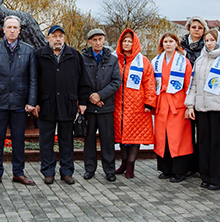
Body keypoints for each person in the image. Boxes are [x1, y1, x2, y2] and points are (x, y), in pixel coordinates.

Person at [0, 15, 38, 188]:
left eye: (15, 28)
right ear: (3, 30)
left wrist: (31, 101)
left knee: (19, 140)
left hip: (20, 104)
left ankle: (18, 173)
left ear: (20, 30)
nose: (12, 30)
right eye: (9, 27)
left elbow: (33, 78)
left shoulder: (29, 50)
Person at [185, 29, 220, 190]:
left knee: (219, 145)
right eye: (207, 40)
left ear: (219, 40)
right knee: (204, 144)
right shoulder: (201, 60)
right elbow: (193, 85)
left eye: (212, 40)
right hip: (202, 109)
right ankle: (206, 176)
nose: (209, 43)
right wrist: (190, 105)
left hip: (219, 109)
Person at [33, 25, 86, 185]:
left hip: (67, 103)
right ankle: (48, 172)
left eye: (60, 36)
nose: (57, 39)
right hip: (46, 104)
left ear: (64, 39)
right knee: (46, 141)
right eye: (54, 36)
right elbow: (33, 81)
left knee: (66, 140)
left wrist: (82, 101)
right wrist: (34, 102)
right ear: (48, 38)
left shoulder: (74, 55)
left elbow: (83, 80)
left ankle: (66, 171)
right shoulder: (39, 55)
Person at [80, 28, 122, 181]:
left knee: (107, 140)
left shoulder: (112, 59)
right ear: (89, 41)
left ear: (104, 40)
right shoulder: (83, 58)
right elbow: (80, 80)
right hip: (90, 107)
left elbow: (116, 82)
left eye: (100, 39)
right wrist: (91, 97)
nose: (97, 42)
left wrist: (100, 95)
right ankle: (89, 169)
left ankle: (109, 170)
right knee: (89, 140)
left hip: (106, 106)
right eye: (94, 40)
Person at [113, 29, 156, 179]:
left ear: (134, 43)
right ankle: (124, 163)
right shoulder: (114, 60)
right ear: (120, 42)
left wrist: (149, 103)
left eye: (130, 41)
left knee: (135, 136)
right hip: (119, 105)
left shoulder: (143, 61)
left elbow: (149, 83)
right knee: (122, 137)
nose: (127, 43)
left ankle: (131, 165)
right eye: (124, 40)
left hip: (137, 106)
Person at [151, 33, 193, 182]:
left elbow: (189, 84)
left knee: (178, 138)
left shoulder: (184, 62)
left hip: (177, 103)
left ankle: (179, 171)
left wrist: (189, 104)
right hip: (162, 102)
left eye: (171, 41)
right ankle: (165, 169)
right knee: (163, 138)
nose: (168, 44)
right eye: (165, 41)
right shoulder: (156, 61)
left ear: (176, 43)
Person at [181, 16, 208, 176]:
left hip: (202, 92)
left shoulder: (207, 46)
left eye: (200, 27)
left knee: (202, 132)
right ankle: (189, 164)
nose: (197, 30)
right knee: (187, 131)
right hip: (185, 93)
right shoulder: (182, 47)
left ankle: (201, 165)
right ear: (189, 28)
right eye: (194, 27)